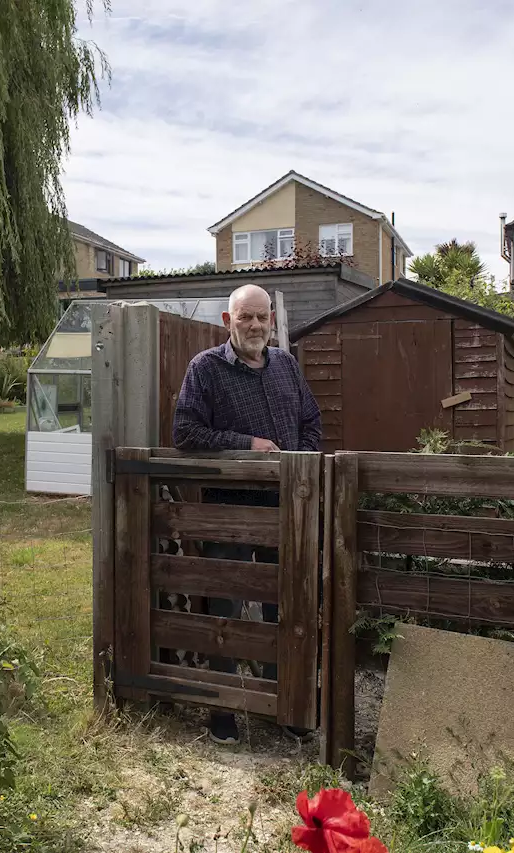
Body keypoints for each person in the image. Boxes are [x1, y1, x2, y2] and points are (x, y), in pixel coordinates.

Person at [172, 284, 321, 745]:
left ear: (272, 319)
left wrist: (301, 465)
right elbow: (185, 431)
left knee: (286, 608)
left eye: (262, 317)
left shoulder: (287, 367)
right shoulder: (206, 369)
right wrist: (248, 445)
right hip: (229, 512)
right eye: (245, 318)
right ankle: (224, 706)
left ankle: (283, 703)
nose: (255, 326)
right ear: (227, 321)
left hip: (286, 513)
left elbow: (312, 424)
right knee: (227, 610)